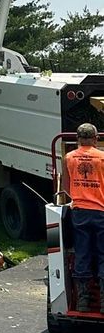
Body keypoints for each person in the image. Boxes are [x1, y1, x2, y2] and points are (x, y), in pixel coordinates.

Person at [64, 122, 104, 312]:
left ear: (78, 139)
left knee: (82, 253)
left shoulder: (69, 158)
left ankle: (82, 300)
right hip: (101, 211)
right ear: (96, 138)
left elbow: (65, 187)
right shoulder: (102, 158)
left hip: (79, 211)